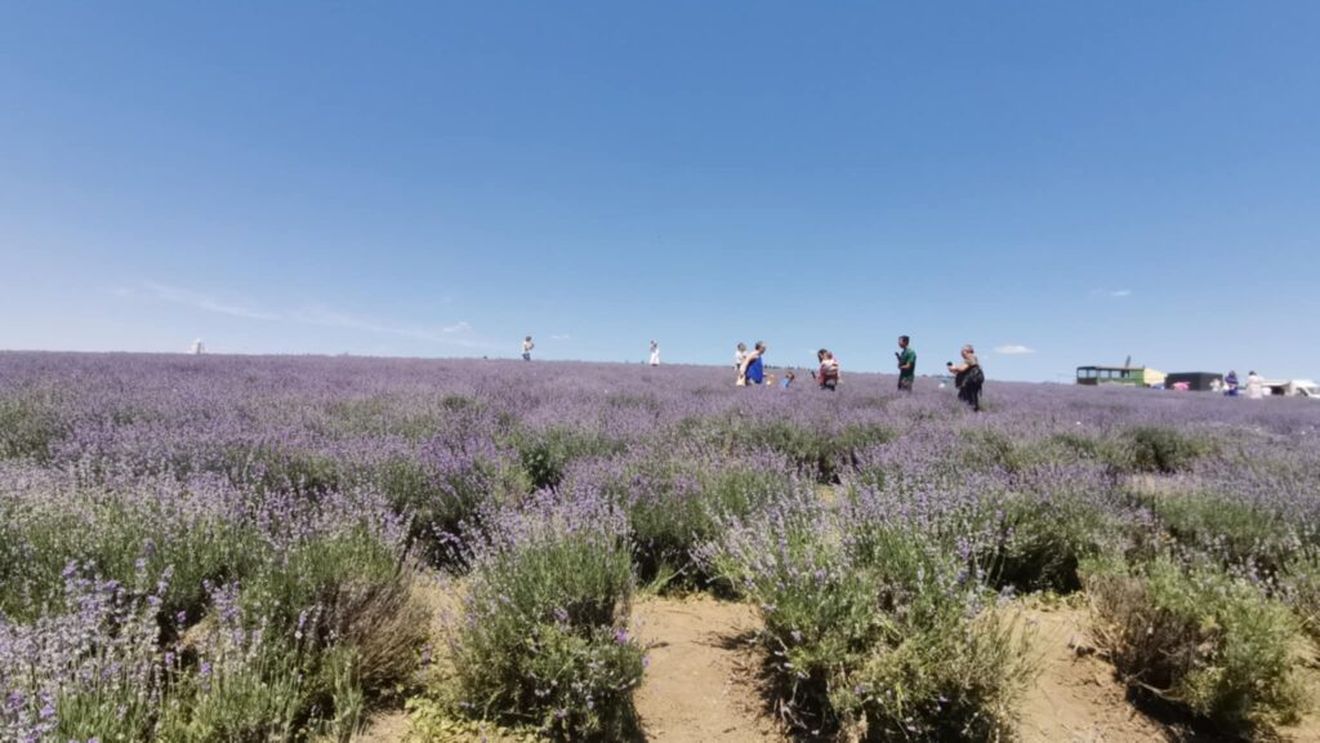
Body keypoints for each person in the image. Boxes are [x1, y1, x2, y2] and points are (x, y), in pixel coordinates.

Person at [947, 344, 983, 412]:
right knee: (970, 400)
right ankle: (972, 414)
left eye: (962, 351)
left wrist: (954, 368)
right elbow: (962, 371)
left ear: (967, 351)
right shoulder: (970, 358)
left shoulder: (970, 357)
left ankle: (972, 415)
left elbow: (962, 369)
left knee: (967, 400)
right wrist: (953, 370)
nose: (961, 353)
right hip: (971, 383)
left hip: (970, 383)